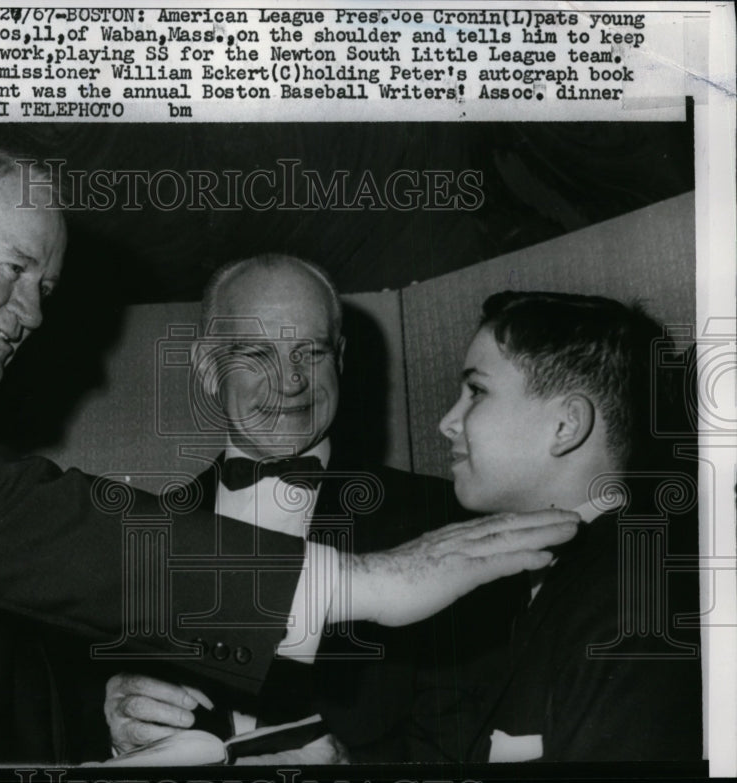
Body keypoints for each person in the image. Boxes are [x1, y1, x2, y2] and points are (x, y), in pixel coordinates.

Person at [0, 135, 579, 763]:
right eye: (16, 268)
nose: (35, 313)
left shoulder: (447, 522)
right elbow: (17, 527)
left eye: (311, 352)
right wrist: (362, 582)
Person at [104, 255, 509, 763]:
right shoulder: (142, 537)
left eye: (310, 351)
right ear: (208, 368)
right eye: (257, 354)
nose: (290, 381)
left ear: (339, 357)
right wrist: (119, 726)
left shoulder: (440, 518)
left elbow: (470, 728)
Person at [350, 291, 703, 762]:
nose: (447, 422)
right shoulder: (569, 572)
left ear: (566, 426)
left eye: (476, 391)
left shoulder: (632, 606)